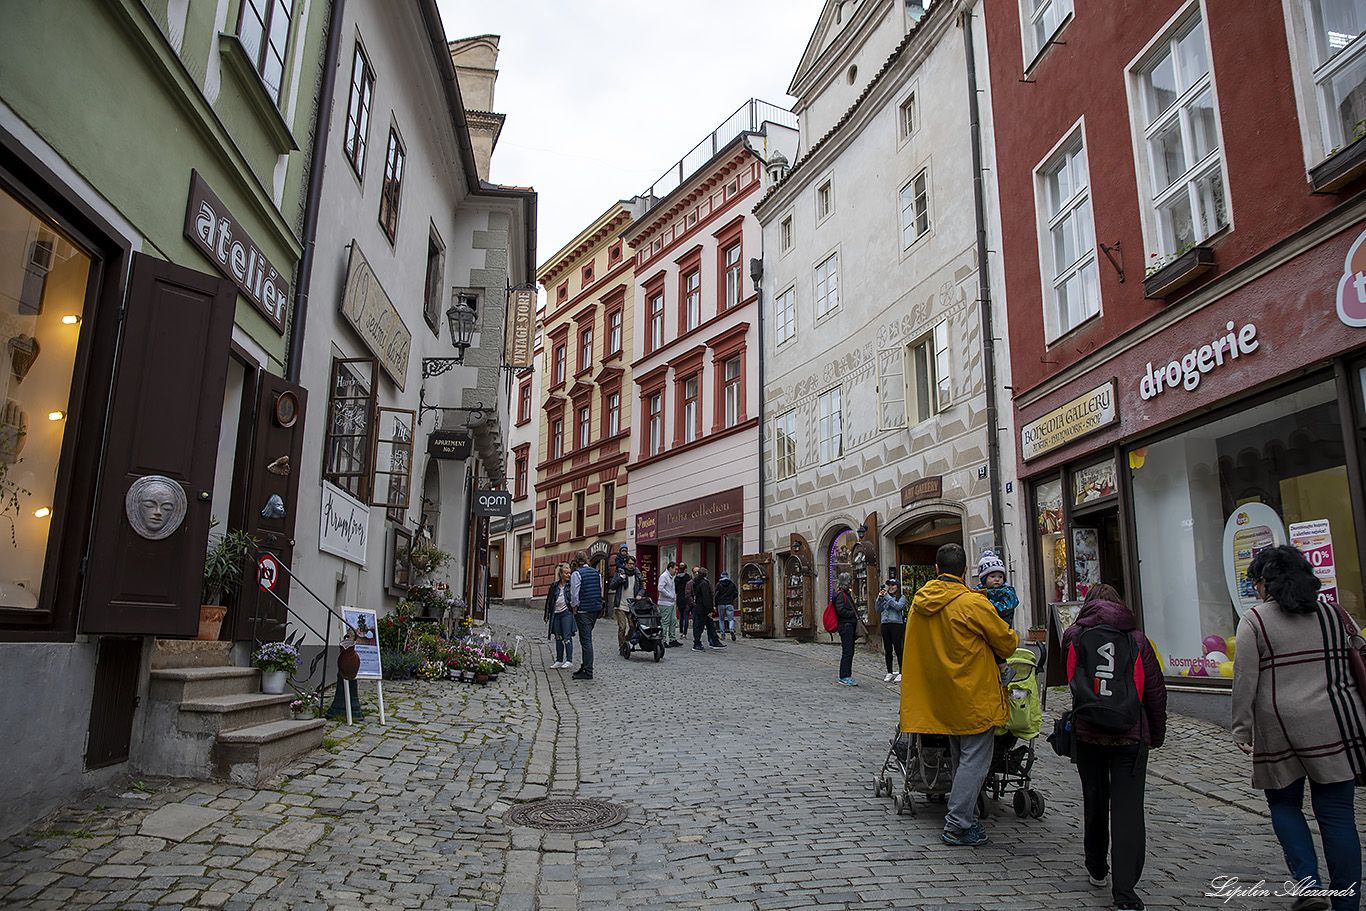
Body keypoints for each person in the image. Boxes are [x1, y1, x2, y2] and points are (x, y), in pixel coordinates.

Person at [1233, 545, 1365, 911]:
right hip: (1337, 723)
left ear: (1266, 582)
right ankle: (1346, 903)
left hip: (1280, 726)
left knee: (1285, 805)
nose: (1255, 590)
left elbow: (1245, 679)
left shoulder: (1255, 620)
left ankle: (1309, 884)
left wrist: (1241, 728)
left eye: (1256, 582)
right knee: (1339, 817)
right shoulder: (1336, 615)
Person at [900, 543, 1019, 846]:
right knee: (975, 759)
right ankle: (958, 822)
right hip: (972, 692)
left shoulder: (920, 602)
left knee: (959, 756)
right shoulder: (972, 603)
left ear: (937, 570)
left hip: (939, 694)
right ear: (965, 570)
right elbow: (1006, 643)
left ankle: (963, 813)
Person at [1062, 583, 1167, 911]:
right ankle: (1125, 893)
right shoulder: (1137, 639)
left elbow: (1067, 680)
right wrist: (1156, 734)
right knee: (1128, 810)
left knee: (1094, 799)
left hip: (1089, 733)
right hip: (1130, 736)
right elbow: (1154, 692)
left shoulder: (1073, 635)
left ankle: (1096, 866)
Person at [568, 551, 603, 680]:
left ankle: (588, 670)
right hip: (594, 609)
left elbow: (574, 593)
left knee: (586, 640)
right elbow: (599, 589)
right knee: (587, 637)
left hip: (583, 610)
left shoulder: (577, 574)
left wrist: (574, 608)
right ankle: (585, 665)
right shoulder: (596, 572)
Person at [543, 562, 576, 669]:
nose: (568, 575)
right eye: (566, 573)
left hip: (567, 612)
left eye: (569, 573)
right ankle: (559, 659)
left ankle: (569, 660)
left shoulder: (571, 586)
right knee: (558, 637)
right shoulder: (554, 586)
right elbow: (549, 601)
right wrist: (546, 614)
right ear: (561, 574)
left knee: (567, 637)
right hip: (555, 613)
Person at [610, 555, 647, 650]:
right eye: (630, 564)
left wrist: (639, 594)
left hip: (632, 605)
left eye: (633, 564)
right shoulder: (620, 573)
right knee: (622, 627)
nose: (632, 566)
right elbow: (612, 586)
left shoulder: (637, 574)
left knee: (633, 626)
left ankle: (626, 640)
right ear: (625, 564)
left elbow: (642, 588)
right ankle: (622, 647)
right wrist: (620, 579)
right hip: (620, 605)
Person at [875, 577, 906, 683]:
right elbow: (878, 609)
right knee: (888, 649)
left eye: (893, 585)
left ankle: (901, 671)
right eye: (889, 585)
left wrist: (887, 597)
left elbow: (898, 607)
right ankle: (889, 671)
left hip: (896, 624)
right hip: (885, 623)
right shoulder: (885, 597)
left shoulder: (901, 597)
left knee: (898, 648)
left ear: (897, 587)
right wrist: (879, 598)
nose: (890, 587)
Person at [975, 551, 1018, 626]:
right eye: (993, 576)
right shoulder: (977, 592)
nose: (997, 579)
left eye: (1000, 577)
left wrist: (988, 603)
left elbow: (1006, 608)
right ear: (983, 579)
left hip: (1003, 630)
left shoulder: (1007, 592)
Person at [832, 572, 860, 685]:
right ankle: (844, 676)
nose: (851, 583)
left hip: (849, 625)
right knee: (847, 652)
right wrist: (852, 614)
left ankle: (846, 674)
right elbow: (840, 611)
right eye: (850, 580)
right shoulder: (840, 595)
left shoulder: (845, 594)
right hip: (846, 625)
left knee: (849, 651)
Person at [690, 567, 725, 650]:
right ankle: (697, 643)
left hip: (700, 607)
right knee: (701, 626)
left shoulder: (697, 582)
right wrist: (709, 609)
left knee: (710, 626)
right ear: (706, 575)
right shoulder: (704, 584)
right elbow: (706, 597)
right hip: (703, 609)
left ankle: (715, 641)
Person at [657, 561, 681, 647]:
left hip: (671, 603)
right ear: (670, 568)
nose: (676, 571)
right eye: (675, 569)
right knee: (665, 622)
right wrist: (669, 595)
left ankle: (672, 639)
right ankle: (662, 640)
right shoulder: (664, 576)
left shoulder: (672, 577)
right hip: (665, 603)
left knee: (673, 621)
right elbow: (660, 588)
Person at [714, 571, 739, 641]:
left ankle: (722, 634)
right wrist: (731, 598)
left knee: (721, 619)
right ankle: (732, 629)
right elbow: (736, 593)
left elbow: (716, 595)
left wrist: (715, 605)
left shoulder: (718, 585)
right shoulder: (732, 584)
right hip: (729, 603)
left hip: (721, 603)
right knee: (730, 619)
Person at [676, 563, 693, 639]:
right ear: (685, 569)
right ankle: (685, 633)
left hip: (679, 598)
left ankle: (680, 631)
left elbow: (676, 589)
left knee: (681, 616)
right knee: (686, 616)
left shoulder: (676, 578)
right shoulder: (687, 577)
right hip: (686, 598)